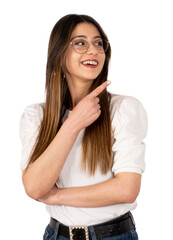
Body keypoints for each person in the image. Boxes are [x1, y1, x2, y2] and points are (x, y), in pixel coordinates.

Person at [19, 14, 147, 240]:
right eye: (80, 43)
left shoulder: (124, 109)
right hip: (57, 235)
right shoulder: (36, 115)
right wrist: (74, 123)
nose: (94, 51)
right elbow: (34, 187)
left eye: (99, 43)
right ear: (59, 54)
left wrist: (57, 196)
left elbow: (126, 189)